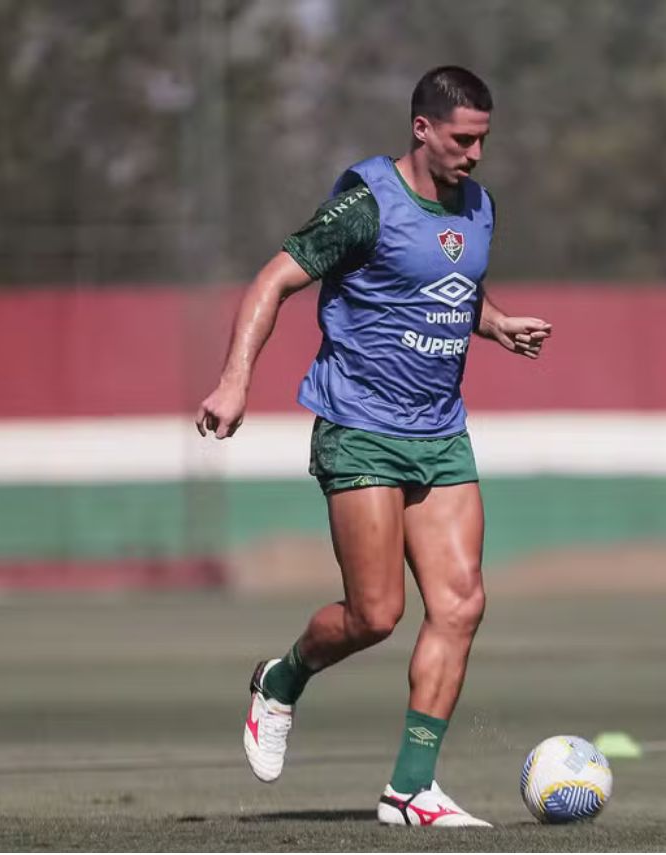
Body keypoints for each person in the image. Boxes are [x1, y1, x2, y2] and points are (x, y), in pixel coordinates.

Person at [195, 66, 552, 826]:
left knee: (461, 603)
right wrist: (234, 381)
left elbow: (449, 280)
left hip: (441, 430)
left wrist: (497, 322)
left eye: (484, 138)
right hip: (360, 426)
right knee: (376, 613)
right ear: (422, 129)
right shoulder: (365, 204)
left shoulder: (480, 205)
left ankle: (411, 789)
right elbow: (272, 281)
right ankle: (282, 678)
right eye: (463, 138)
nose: (476, 154)